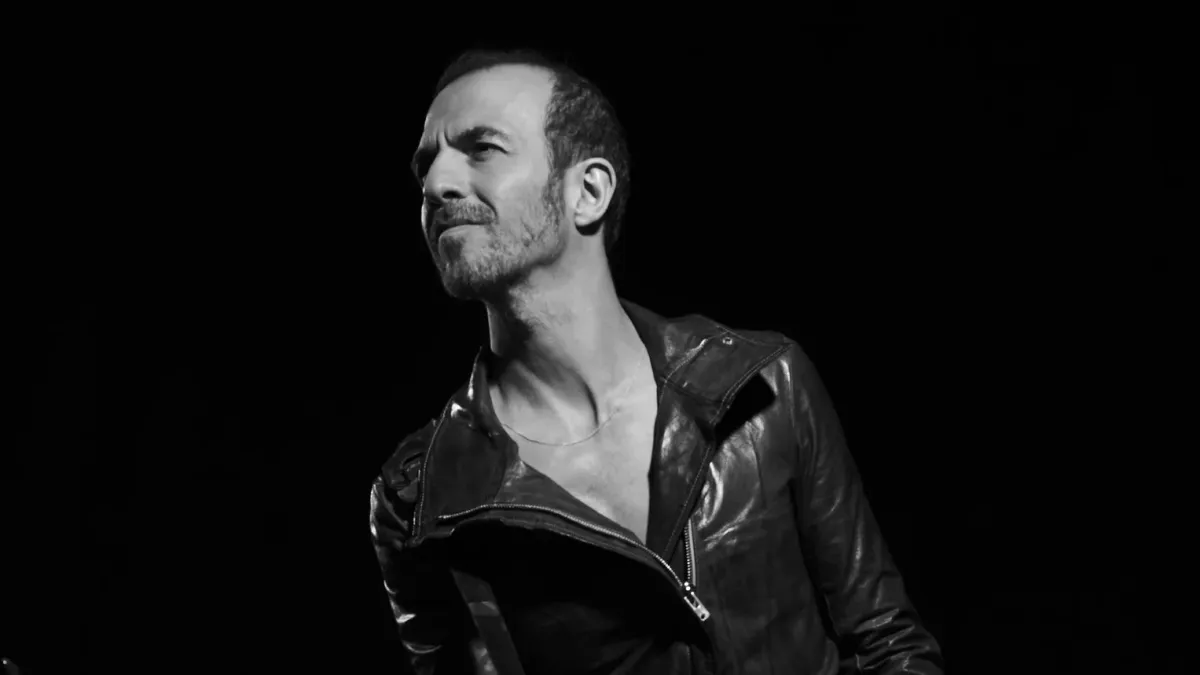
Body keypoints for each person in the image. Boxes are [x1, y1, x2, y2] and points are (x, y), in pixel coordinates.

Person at [370, 48, 943, 675]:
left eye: (482, 148)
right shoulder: (421, 499)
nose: (436, 184)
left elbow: (890, 645)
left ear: (588, 191)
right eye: (425, 167)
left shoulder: (763, 385)